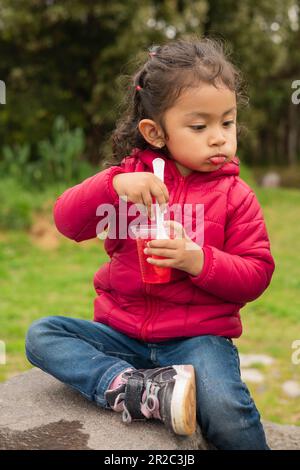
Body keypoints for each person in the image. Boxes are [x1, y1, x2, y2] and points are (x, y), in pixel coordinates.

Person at [25, 37, 275, 450]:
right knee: (43, 335)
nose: (218, 138)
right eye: (199, 126)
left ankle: (159, 388)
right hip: (120, 334)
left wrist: (198, 260)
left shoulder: (236, 196)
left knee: (227, 408)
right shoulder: (128, 182)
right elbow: (67, 222)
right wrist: (112, 184)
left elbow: (256, 274)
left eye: (226, 123)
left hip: (198, 340)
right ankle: (134, 388)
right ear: (155, 132)